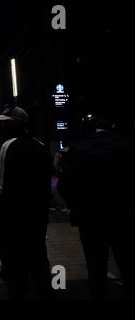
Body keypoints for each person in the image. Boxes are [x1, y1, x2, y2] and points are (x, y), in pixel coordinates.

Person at [58, 115, 135, 299]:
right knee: (128, 265)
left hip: (90, 219)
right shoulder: (128, 147)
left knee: (96, 268)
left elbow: (64, 186)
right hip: (124, 217)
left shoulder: (79, 150)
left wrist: (75, 204)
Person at [0, 106, 53, 299]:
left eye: (4, 121)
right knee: (39, 260)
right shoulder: (39, 145)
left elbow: (1, 185)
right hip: (37, 214)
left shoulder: (8, 145)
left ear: (14, 123)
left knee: (14, 265)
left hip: (12, 216)